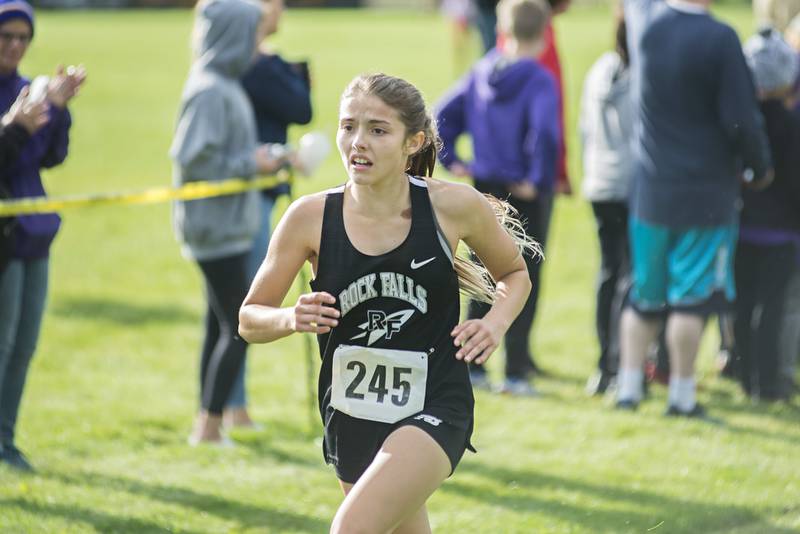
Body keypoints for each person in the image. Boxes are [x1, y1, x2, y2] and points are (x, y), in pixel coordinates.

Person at [239, 72, 536, 532]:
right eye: (348, 126)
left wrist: (494, 324)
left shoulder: (452, 206)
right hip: (349, 411)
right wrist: (289, 317)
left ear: (412, 142)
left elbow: (514, 275)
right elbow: (248, 318)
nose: (359, 142)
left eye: (378, 130)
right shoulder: (309, 217)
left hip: (435, 401)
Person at [617, 0, 772, 417]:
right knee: (691, 300)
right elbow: (741, 117)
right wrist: (760, 165)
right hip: (706, 190)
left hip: (651, 188)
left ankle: (628, 387)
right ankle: (681, 395)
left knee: (644, 294)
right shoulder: (720, 38)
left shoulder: (644, 19)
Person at [170, 0, 285, 446]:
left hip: (227, 225)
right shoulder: (209, 90)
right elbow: (193, 161)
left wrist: (265, 158)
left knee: (219, 322)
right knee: (240, 323)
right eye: (251, 34)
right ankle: (210, 426)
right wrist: (249, 163)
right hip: (212, 229)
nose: (258, 43)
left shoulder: (225, 84)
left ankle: (211, 417)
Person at [436, 0, 559, 395]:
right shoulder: (540, 79)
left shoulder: (481, 71)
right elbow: (545, 133)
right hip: (524, 191)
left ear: (502, 29)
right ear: (544, 33)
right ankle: (517, 369)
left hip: (484, 189)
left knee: (483, 274)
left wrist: (454, 159)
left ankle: (473, 366)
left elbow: (439, 114)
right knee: (523, 276)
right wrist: (537, 179)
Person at [0, 0, 86, 472]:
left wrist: (57, 109)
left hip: (36, 233)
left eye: (22, 38)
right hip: (6, 238)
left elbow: (50, 157)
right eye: (5, 37)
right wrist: (16, 126)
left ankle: (6, 440)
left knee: (25, 345)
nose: (15, 46)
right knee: (4, 343)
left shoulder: (25, 88)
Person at [223, 0, 313, 431]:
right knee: (241, 306)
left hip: (256, 191)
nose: (281, 11)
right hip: (247, 196)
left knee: (230, 307)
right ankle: (227, 408)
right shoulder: (255, 67)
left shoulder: (249, 66)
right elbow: (302, 107)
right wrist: (288, 70)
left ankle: (230, 408)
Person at [734, 27, 800, 401]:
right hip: (783, 232)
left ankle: (744, 375)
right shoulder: (792, 124)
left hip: (743, 228)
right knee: (774, 307)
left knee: (743, 303)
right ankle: (769, 384)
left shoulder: (742, 123)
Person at [579, 16, 633, 396]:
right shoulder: (647, 76)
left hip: (600, 182)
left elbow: (584, 127)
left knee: (608, 272)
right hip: (633, 186)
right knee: (631, 277)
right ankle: (623, 364)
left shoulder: (601, 69)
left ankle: (604, 365)